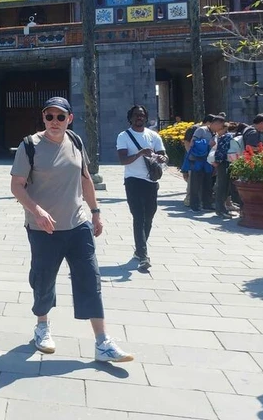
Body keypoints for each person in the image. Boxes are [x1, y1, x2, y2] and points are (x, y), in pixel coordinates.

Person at [10, 97, 133, 363]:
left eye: (60, 117)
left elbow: (85, 178)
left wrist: (96, 212)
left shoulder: (75, 141)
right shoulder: (30, 145)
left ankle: (102, 342)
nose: (54, 122)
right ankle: (42, 325)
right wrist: (37, 211)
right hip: (44, 228)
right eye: (49, 116)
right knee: (43, 280)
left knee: (90, 278)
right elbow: (17, 185)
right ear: (43, 118)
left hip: (78, 225)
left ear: (69, 119)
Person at [116, 105, 167, 272]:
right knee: (138, 216)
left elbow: (164, 156)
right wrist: (139, 153)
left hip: (151, 182)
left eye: (142, 115)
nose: (139, 117)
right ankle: (144, 256)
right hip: (133, 181)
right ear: (130, 118)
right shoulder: (123, 136)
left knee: (149, 216)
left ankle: (139, 250)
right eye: (136, 115)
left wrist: (160, 157)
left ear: (146, 117)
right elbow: (123, 160)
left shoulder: (153, 136)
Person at [188, 114, 224, 212]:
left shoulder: (215, 134)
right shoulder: (201, 130)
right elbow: (193, 142)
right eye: (220, 125)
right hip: (197, 160)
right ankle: (194, 205)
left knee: (207, 183)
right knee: (196, 183)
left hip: (208, 161)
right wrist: (207, 144)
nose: (221, 128)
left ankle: (206, 204)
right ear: (216, 123)